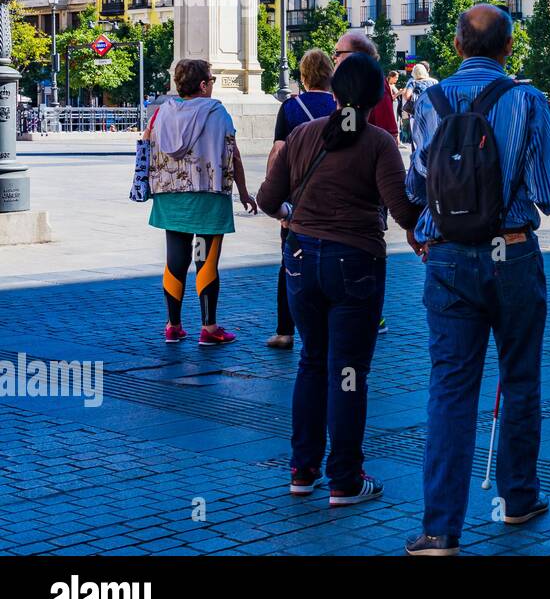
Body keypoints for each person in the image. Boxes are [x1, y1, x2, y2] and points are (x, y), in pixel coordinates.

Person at [404, 4, 550, 556]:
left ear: (456, 47)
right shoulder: (528, 99)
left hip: (449, 258)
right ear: (508, 49)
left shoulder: (427, 101)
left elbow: (416, 186)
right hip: (514, 254)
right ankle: (519, 497)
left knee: (450, 390)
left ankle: (439, 530)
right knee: (520, 378)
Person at [258, 53, 422, 507]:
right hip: (355, 265)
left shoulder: (303, 135)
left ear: (334, 93)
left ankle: (302, 469)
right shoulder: (378, 143)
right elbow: (404, 210)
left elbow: (269, 198)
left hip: (301, 263)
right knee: (348, 371)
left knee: (312, 362)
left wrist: (295, 215)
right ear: (378, 98)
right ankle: (345, 479)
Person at [146, 58, 257, 346]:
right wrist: (244, 192)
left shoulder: (160, 113)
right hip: (208, 196)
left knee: (175, 261)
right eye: (212, 81)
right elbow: (233, 155)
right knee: (205, 260)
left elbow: (147, 147)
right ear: (204, 84)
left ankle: (173, 325)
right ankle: (209, 328)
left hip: (170, 197)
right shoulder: (216, 113)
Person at [266, 49, 337, 350]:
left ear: (303, 76)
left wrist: (277, 199)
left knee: (290, 264)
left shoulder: (291, 108)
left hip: (298, 198)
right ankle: (332, 328)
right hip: (335, 195)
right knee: (335, 260)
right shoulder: (340, 106)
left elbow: (278, 152)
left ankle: (285, 331)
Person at [333, 32, 399, 142]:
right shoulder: (349, 82)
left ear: (356, 55)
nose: (334, 57)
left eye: (338, 53)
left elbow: (388, 132)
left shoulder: (373, 81)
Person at [403, 63, 438, 154]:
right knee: (431, 135)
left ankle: (418, 158)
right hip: (432, 113)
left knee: (417, 138)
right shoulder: (434, 81)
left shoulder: (413, 82)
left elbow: (407, 96)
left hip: (416, 114)